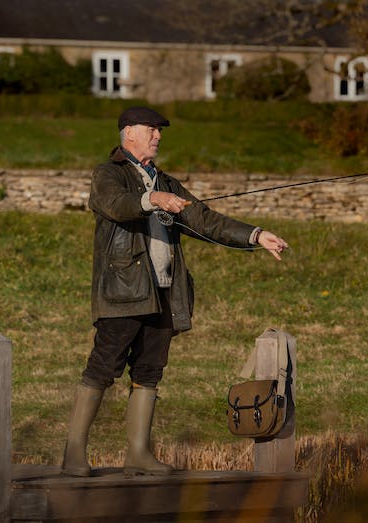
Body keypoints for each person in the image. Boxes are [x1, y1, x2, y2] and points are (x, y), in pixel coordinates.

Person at [61, 106, 288, 477]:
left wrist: (256, 236)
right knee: (102, 369)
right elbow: (116, 206)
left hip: (163, 294)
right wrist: (152, 200)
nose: (158, 136)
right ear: (129, 132)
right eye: (151, 129)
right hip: (122, 293)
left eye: (158, 131)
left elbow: (205, 220)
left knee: (149, 372)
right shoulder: (108, 174)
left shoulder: (165, 181)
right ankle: (73, 456)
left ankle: (137, 455)